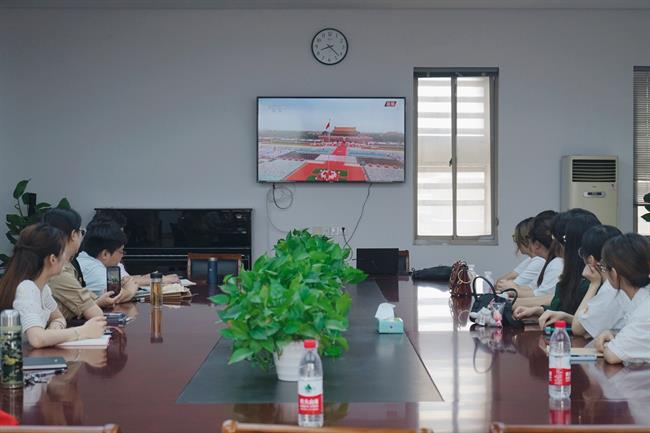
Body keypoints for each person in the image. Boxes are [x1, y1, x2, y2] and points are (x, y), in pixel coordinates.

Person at [0, 223, 106, 348]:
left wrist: (55, 328)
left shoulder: (43, 288)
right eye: (64, 252)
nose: (66, 258)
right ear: (53, 259)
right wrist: (83, 331)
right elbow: (37, 339)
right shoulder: (27, 288)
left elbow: (58, 318)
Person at [537, 225, 627, 337]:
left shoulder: (610, 289)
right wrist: (565, 317)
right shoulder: (622, 282)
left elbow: (577, 328)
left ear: (590, 260)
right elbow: (589, 323)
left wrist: (593, 284)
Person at [43, 208, 127, 322]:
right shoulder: (58, 271)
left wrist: (98, 301)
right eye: (81, 232)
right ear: (73, 235)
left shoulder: (69, 264)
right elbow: (95, 313)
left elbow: (90, 299)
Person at [513, 212, 600, 319]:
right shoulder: (573, 270)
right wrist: (540, 310)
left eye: (559, 239)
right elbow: (560, 303)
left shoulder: (588, 277)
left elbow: (581, 323)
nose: (556, 244)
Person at [593, 233, 650, 364]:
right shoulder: (641, 299)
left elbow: (613, 355)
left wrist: (609, 345)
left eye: (603, 267)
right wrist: (615, 335)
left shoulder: (644, 310)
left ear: (613, 273)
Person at [86, 210, 179, 286]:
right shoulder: (92, 267)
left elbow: (124, 279)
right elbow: (118, 284)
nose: (122, 237)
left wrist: (145, 277)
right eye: (119, 233)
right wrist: (156, 279)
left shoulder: (106, 260)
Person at [505, 210, 562, 301]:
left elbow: (543, 298)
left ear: (536, 244)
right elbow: (534, 287)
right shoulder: (549, 262)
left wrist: (513, 294)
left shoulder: (556, 264)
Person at [76, 220, 138, 299]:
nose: (122, 255)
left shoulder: (92, 260)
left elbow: (126, 280)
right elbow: (114, 296)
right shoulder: (93, 270)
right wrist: (130, 291)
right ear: (105, 254)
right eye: (121, 251)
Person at [496, 217, 545, 290]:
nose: (516, 242)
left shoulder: (539, 261)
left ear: (527, 239)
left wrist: (508, 283)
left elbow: (508, 288)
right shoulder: (531, 259)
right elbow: (501, 282)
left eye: (517, 238)